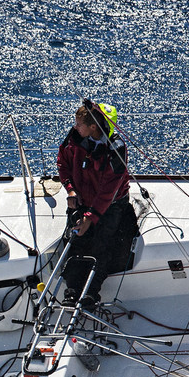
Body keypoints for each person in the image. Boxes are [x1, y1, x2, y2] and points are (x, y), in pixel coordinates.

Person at [56, 99, 139, 306]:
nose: (75, 127)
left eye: (79, 124)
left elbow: (109, 190)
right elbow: (62, 163)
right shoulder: (74, 140)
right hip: (82, 200)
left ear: (93, 127)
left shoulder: (116, 149)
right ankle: (72, 291)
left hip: (111, 205)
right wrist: (70, 189)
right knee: (75, 242)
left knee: (102, 245)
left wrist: (90, 217)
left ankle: (91, 293)